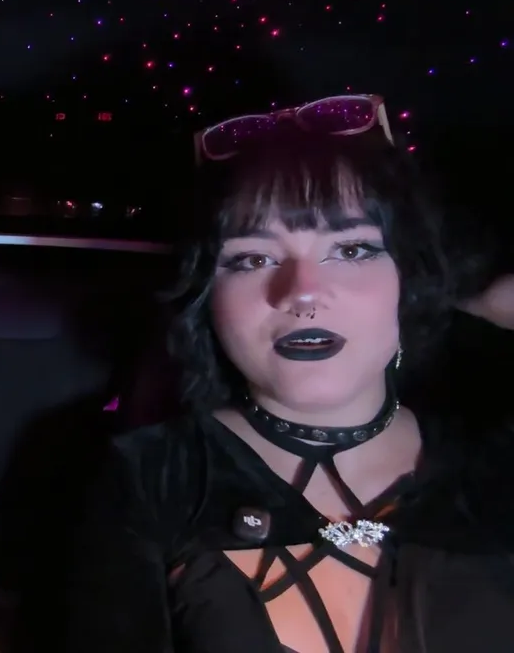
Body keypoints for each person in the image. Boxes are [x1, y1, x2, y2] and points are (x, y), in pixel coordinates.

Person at [63, 95, 514, 652]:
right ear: (206, 297)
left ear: (411, 278)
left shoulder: (496, 465)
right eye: (253, 259)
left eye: (351, 250)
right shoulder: (146, 481)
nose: (301, 292)